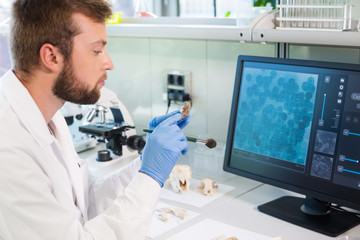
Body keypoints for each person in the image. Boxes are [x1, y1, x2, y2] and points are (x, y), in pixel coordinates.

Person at [0, 0, 189, 239]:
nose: (109, 63)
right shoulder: (8, 149)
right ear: (52, 56)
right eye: (97, 51)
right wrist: (151, 177)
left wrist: (145, 162)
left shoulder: (49, 118)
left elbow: (83, 203)